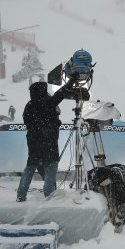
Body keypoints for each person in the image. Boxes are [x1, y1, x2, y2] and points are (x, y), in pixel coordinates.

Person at [16, 73, 83, 202]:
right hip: (49, 143)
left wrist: (49, 121)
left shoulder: (29, 105)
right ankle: (49, 196)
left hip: (34, 144)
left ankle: (21, 195)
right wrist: (72, 80)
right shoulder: (47, 102)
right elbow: (61, 93)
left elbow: (29, 122)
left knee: (30, 169)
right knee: (50, 169)